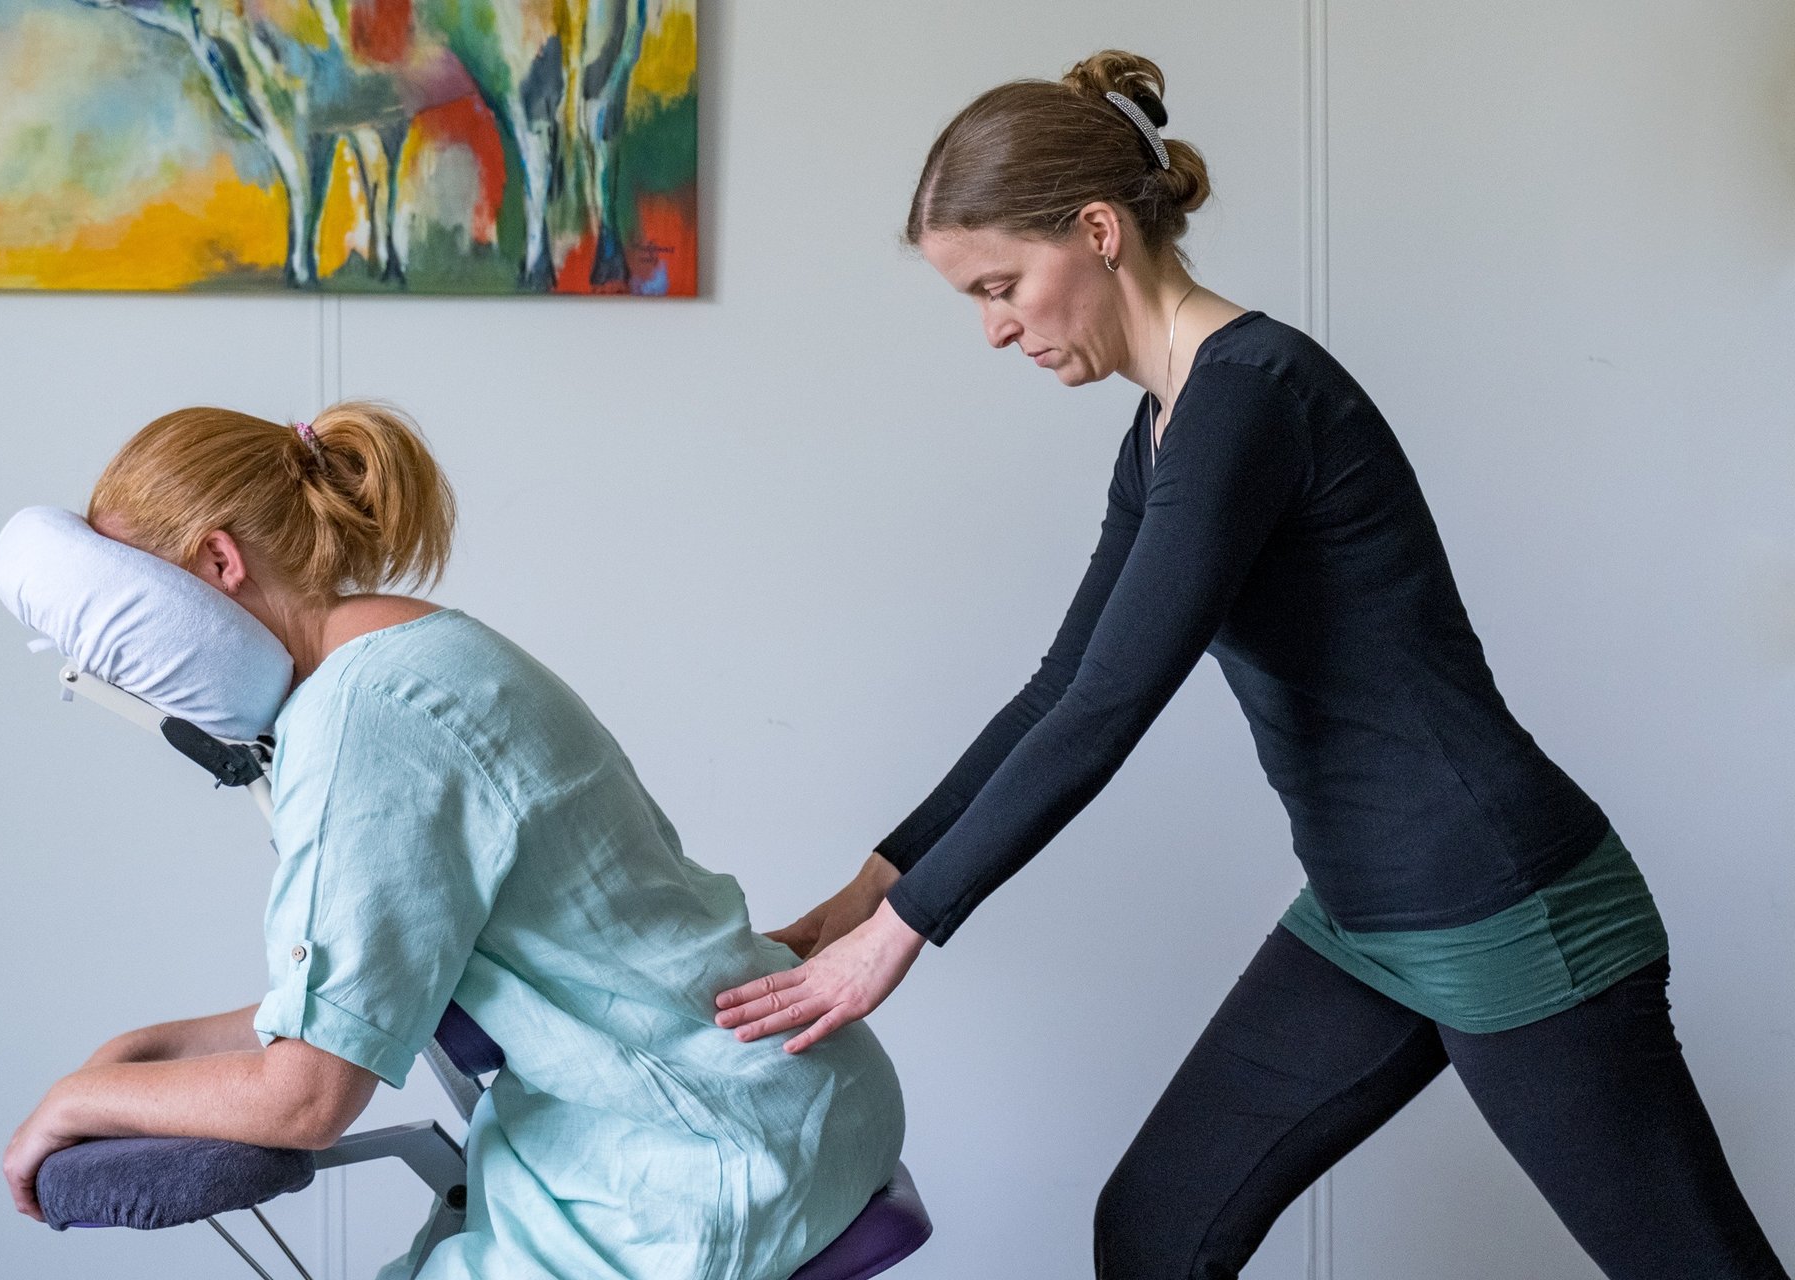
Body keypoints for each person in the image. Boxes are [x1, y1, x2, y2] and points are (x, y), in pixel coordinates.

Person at [714, 50, 1787, 1279]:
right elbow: (1060, 682)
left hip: (1506, 906)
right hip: (1363, 915)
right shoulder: (1166, 424)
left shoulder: (1252, 397)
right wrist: (863, 890)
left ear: (1100, 231)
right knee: (1157, 1228)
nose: (994, 326)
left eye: (1002, 283)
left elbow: (1111, 709)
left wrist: (900, 933)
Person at [3, 402, 905, 1280]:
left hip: (696, 1162)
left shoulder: (358, 724)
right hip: (769, 1099)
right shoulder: (416, 645)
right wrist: (152, 1047)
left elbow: (307, 1098)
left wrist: (70, 1100)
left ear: (217, 560)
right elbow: (357, 1000)